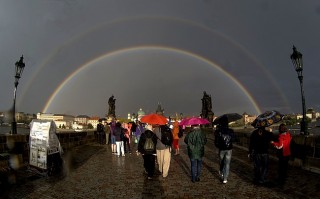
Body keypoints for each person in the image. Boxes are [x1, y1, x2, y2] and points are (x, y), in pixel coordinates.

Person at [214, 116, 235, 184]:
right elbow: (234, 139)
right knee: (227, 163)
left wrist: (218, 146)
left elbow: (216, 141)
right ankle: (225, 178)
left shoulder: (218, 131)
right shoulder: (231, 131)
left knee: (221, 161)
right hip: (229, 149)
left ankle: (222, 173)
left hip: (221, 149)